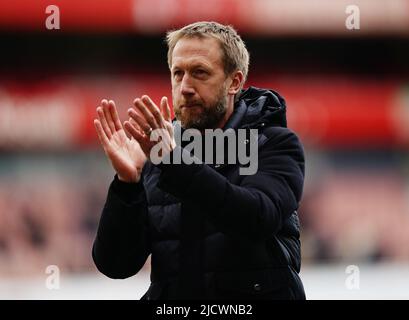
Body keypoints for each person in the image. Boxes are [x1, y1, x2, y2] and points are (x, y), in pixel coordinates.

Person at [92, 21, 306, 300]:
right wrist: (127, 184)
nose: (185, 87)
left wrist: (172, 162)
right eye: (177, 73)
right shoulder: (159, 152)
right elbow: (116, 265)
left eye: (200, 73)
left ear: (235, 82)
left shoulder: (273, 143)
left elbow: (256, 219)